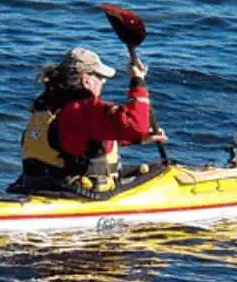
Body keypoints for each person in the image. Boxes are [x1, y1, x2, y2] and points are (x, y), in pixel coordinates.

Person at [9, 47, 167, 196]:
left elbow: (79, 140)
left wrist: (139, 138)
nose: (103, 82)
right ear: (85, 80)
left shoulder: (49, 105)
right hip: (76, 195)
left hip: (37, 187)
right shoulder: (85, 108)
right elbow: (137, 125)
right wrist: (137, 82)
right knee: (162, 170)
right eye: (99, 77)